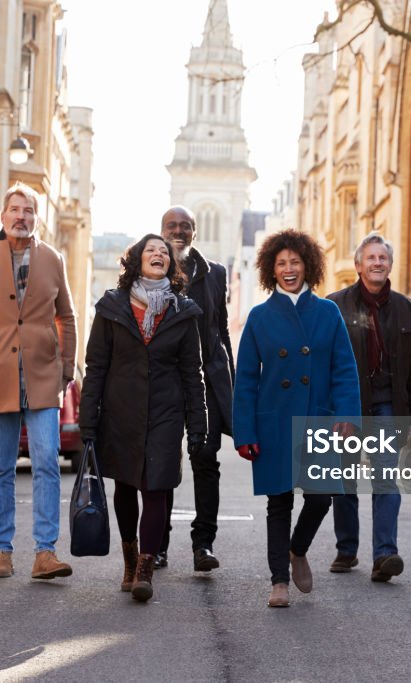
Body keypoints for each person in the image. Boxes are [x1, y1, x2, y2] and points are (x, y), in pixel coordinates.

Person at [0, 181, 77, 581]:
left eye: (29, 211)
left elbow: (67, 317)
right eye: (15, 210)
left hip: (42, 377)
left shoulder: (53, 259)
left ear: (37, 218)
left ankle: (45, 553)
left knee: (46, 464)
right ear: (3, 216)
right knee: (1, 467)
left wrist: (66, 370)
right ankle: (2, 552)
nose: (22, 217)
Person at [232, 229, 361, 608]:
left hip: (317, 418)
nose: (289, 269)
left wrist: (347, 416)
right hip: (274, 420)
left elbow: (344, 370)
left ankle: (297, 548)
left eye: (295, 262)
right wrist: (245, 431)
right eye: (281, 263)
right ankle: (278, 582)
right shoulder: (259, 317)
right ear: (271, 270)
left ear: (308, 265)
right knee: (279, 502)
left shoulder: (327, 313)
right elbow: (246, 380)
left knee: (322, 497)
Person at [79, 234, 208, 603]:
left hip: (166, 413)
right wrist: (88, 420)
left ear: (171, 264)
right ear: (136, 260)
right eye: (150, 250)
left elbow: (192, 373)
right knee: (125, 487)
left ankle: (145, 567)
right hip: (121, 411)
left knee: (157, 488)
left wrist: (197, 424)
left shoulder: (184, 312)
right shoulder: (111, 307)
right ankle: (130, 555)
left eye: (164, 252)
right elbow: (96, 367)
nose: (158, 254)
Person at [326, 232, 411, 582]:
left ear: (390, 265)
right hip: (348, 407)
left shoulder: (406, 308)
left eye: (382, 258)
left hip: (388, 405)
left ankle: (385, 554)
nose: (377, 263)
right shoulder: (335, 306)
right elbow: (323, 364)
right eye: (370, 258)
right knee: (344, 479)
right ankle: (347, 549)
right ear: (358, 265)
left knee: (386, 475)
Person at [157, 205, 234, 572]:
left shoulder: (215, 273)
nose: (179, 231)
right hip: (167, 384)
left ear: (194, 232)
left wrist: (228, 381)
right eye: (172, 225)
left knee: (205, 463)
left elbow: (222, 330)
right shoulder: (152, 267)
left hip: (206, 385)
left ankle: (203, 544)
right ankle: (158, 547)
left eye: (185, 226)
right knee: (164, 466)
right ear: (161, 230)